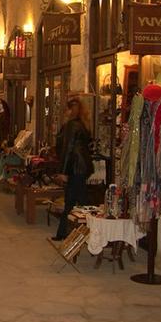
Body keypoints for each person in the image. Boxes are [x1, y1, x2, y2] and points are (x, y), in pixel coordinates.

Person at [50, 97, 94, 241]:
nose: (65, 113)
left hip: (75, 167)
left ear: (70, 110)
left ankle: (94, 231)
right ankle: (63, 232)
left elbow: (67, 148)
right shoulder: (82, 124)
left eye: (66, 110)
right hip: (81, 166)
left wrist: (62, 172)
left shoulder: (72, 125)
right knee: (73, 200)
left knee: (79, 201)